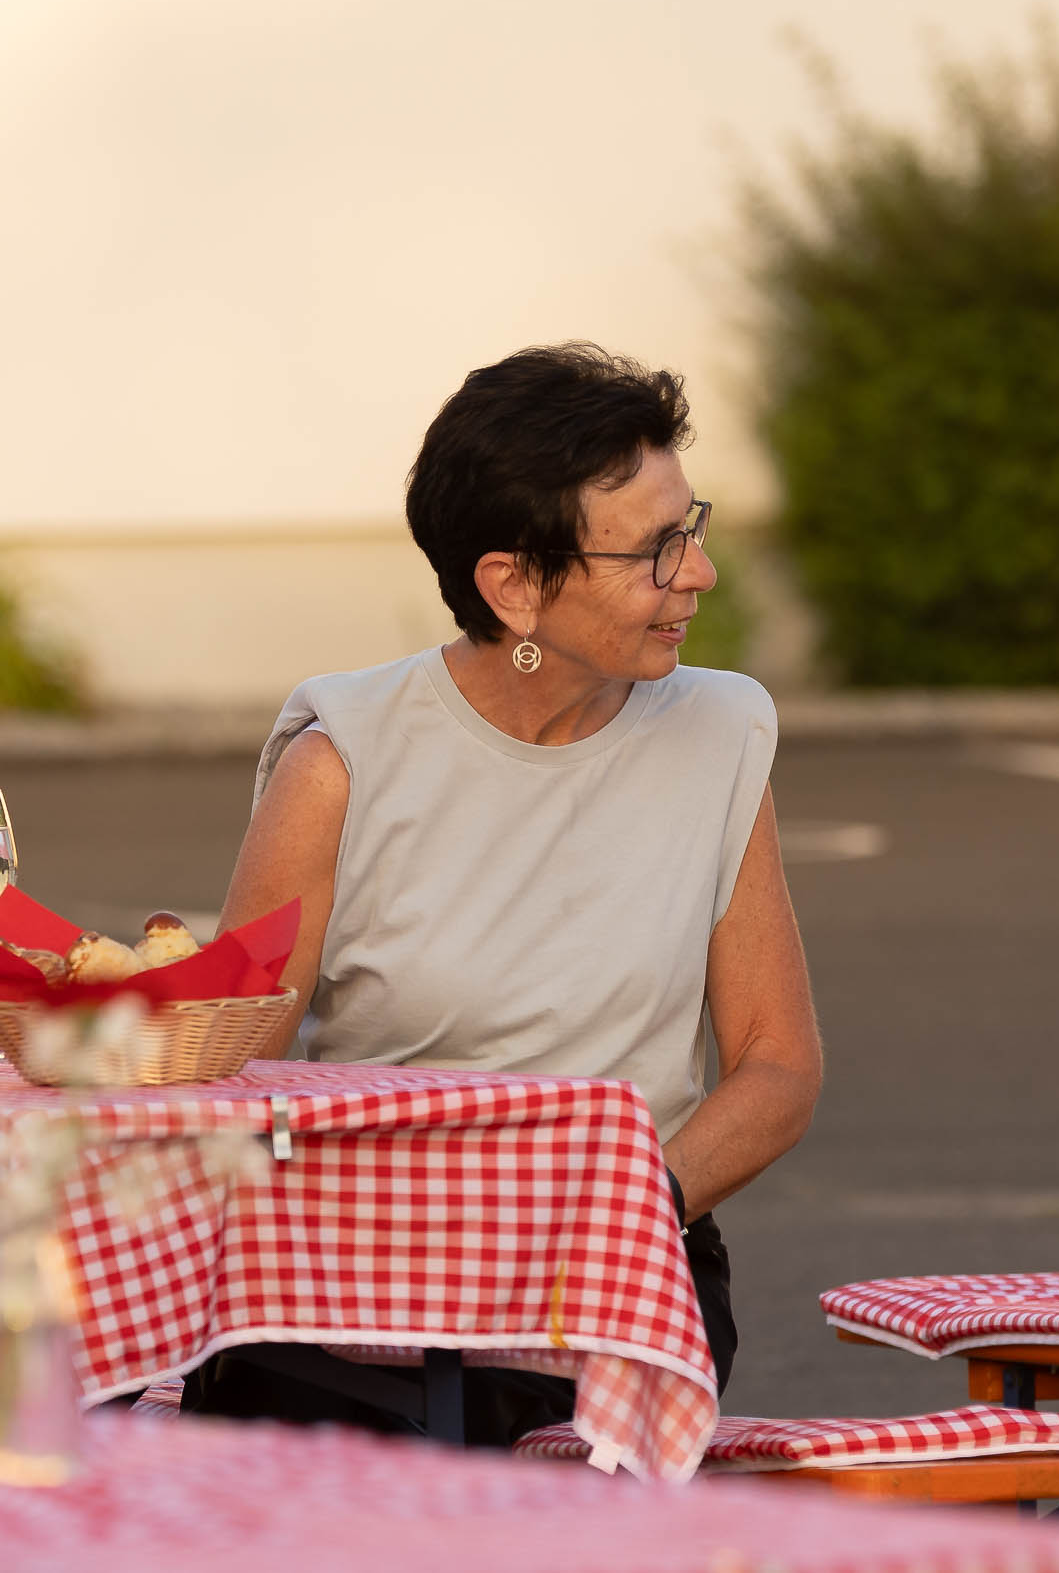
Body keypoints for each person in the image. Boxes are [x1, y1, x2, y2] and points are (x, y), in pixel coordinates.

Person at [182, 343, 821, 1443]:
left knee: (536, 1455)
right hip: (352, 1279)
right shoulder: (346, 756)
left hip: (622, 1273)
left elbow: (776, 1065)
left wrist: (623, 1219)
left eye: (694, 526)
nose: (699, 573)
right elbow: (232, 1068)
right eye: (657, 550)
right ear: (512, 585)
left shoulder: (722, 732)